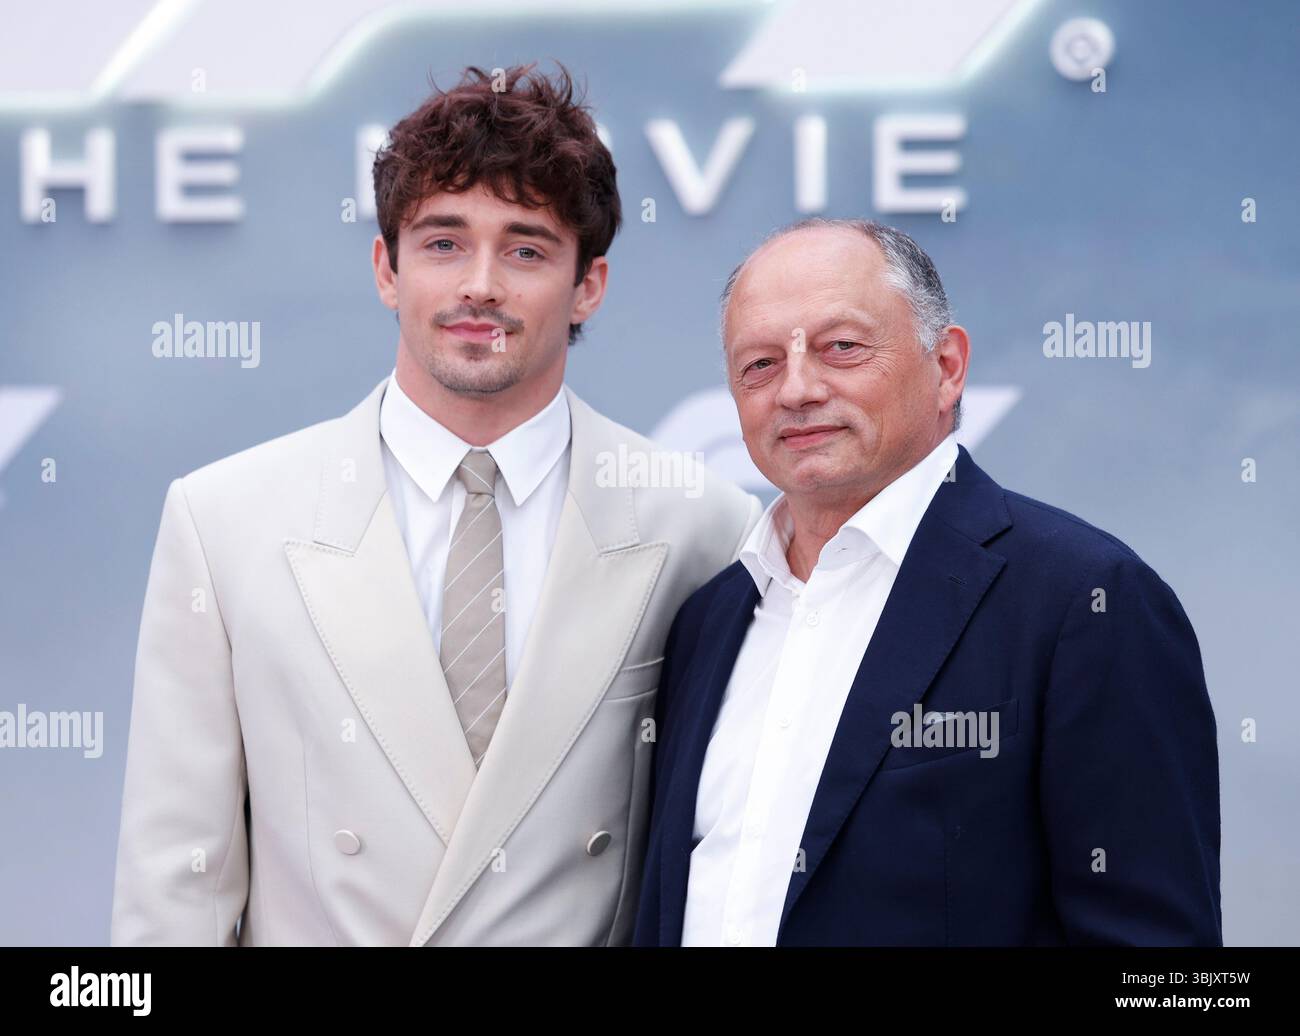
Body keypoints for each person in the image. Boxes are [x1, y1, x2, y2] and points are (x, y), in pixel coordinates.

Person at [111, 63, 759, 946]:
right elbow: (173, 891)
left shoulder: (704, 526)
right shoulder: (225, 522)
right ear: (387, 267)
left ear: (589, 285)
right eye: (443, 243)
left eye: (526, 249)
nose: (480, 285)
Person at [634, 218, 1221, 946]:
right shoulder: (707, 620)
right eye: (758, 364)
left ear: (947, 366)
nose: (796, 389)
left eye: (840, 347)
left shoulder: (1086, 602)